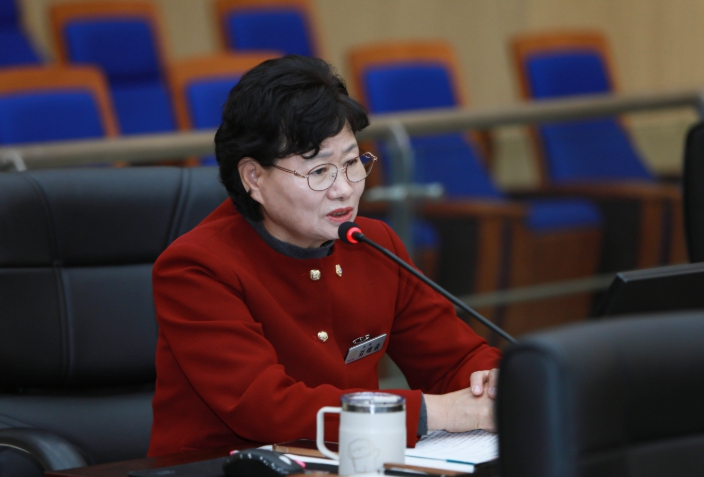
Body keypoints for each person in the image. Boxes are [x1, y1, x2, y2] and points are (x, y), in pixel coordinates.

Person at [148, 55, 501, 456]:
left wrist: (492, 382)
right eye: (319, 172)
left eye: (351, 163)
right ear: (253, 178)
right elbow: (267, 408)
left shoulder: (375, 244)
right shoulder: (197, 268)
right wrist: (436, 412)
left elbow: (455, 359)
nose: (344, 189)